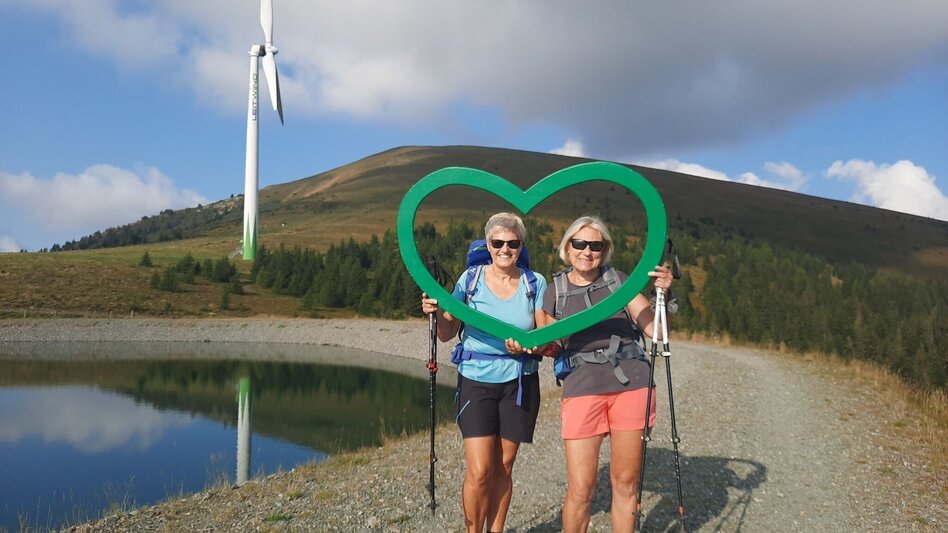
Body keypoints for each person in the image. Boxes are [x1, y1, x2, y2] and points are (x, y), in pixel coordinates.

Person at [538, 215, 674, 533]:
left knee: (625, 485)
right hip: (582, 387)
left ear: (605, 249)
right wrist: (523, 345)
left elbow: (656, 331)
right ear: (567, 247)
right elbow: (546, 344)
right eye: (580, 243)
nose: (587, 251)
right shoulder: (553, 291)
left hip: (633, 385)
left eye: (595, 245)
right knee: (581, 489)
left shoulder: (619, 282)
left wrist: (663, 295)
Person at [420, 212, 549, 533]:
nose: (505, 249)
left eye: (513, 243)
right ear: (488, 244)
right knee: (479, 471)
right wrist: (435, 313)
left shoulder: (536, 283)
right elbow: (448, 332)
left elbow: (544, 336)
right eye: (498, 243)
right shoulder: (470, 279)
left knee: (503, 467)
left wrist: (528, 345)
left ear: (521, 246)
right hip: (476, 380)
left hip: (520, 381)